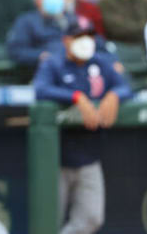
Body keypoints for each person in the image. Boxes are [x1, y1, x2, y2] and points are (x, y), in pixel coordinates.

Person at [34, 17, 132, 234]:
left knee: (92, 218)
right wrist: (76, 97)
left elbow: (127, 86)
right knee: (50, 220)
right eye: (79, 37)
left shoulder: (100, 63)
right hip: (56, 157)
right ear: (66, 40)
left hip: (89, 156)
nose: (85, 41)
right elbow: (41, 90)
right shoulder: (54, 63)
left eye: (89, 36)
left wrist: (114, 95)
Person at [6, 0, 76, 68]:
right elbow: (16, 51)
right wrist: (40, 55)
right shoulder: (27, 21)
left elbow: (94, 45)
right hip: (38, 70)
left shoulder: (73, 21)